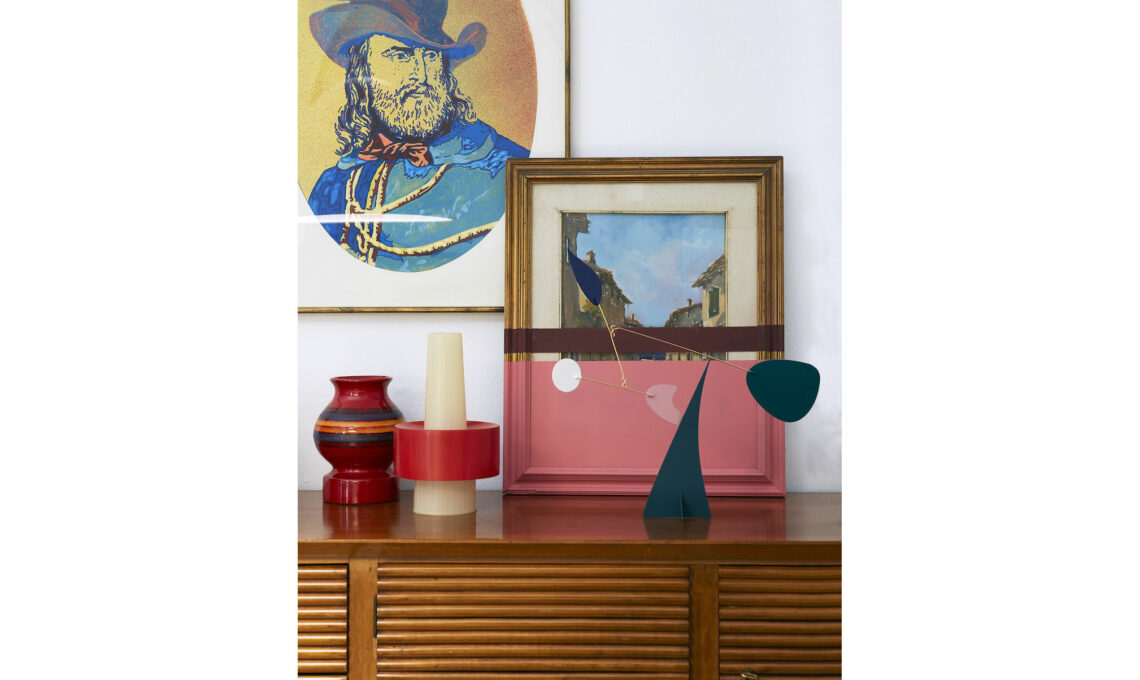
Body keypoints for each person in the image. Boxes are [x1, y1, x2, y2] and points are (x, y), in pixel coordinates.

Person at [307, 0, 530, 271]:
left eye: (432, 56)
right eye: (400, 55)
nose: (421, 74)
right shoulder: (334, 188)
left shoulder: (512, 172)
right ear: (362, 71)